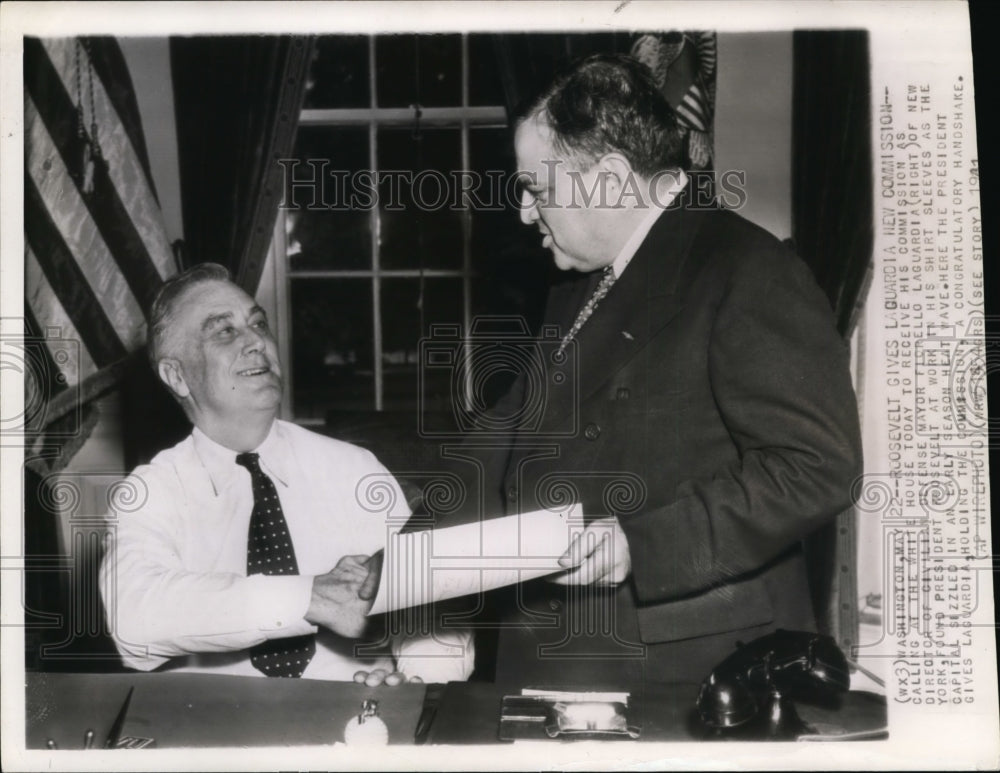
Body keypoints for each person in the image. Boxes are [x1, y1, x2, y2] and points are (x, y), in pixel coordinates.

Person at [447, 54, 863, 687]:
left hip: (688, 668)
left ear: (611, 179)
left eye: (537, 188)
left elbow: (817, 465)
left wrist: (642, 543)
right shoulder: (576, 287)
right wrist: (390, 569)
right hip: (559, 654)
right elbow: (504, 438)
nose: (526, 213)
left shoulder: (746, 269)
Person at [99, 263, 473, 682]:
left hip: (355, 720)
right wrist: (308, 597)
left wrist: (420, 683)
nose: (256, 340)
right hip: (214, 728)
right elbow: (134, 619)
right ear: (176, 375)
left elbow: (431, 606)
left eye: (258, 322)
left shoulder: (354, 469)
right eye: (224, 331)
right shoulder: (153, 491)